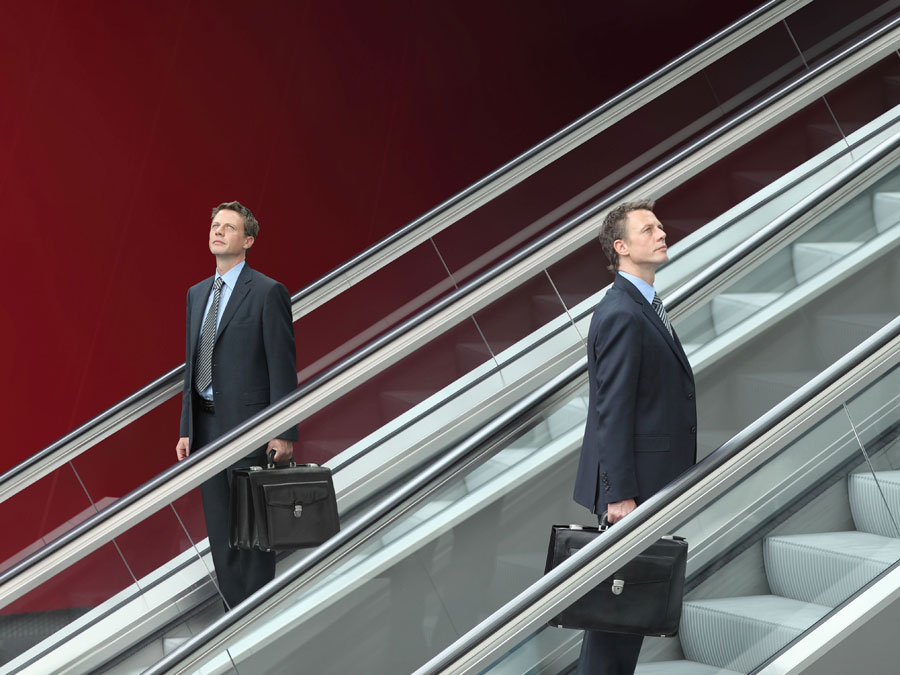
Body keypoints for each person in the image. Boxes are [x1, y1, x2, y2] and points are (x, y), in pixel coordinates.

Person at [572, 200, 697, 674]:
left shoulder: (642, 305)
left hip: (646, 485)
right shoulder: (624, 312)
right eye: (648, 229)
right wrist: (620, 493)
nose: (661, 233)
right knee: (618, 622)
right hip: (634, 492)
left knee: (620, 619)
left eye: (661, 226)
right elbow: (613, 409)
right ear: (621, 248)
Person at [176, 200, 298, 610]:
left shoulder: (267, 292)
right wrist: (186, 427)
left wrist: (284, 431)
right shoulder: (196, 295)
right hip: (207, 429)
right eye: (214, 225)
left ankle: (258, 612)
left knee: (254, 531)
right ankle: (235, 611)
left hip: (250, 429)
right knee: (221, 530)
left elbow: (282, 366)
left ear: (247, 240)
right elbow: (192, 365)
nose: (217, 231)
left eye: (228, 227)